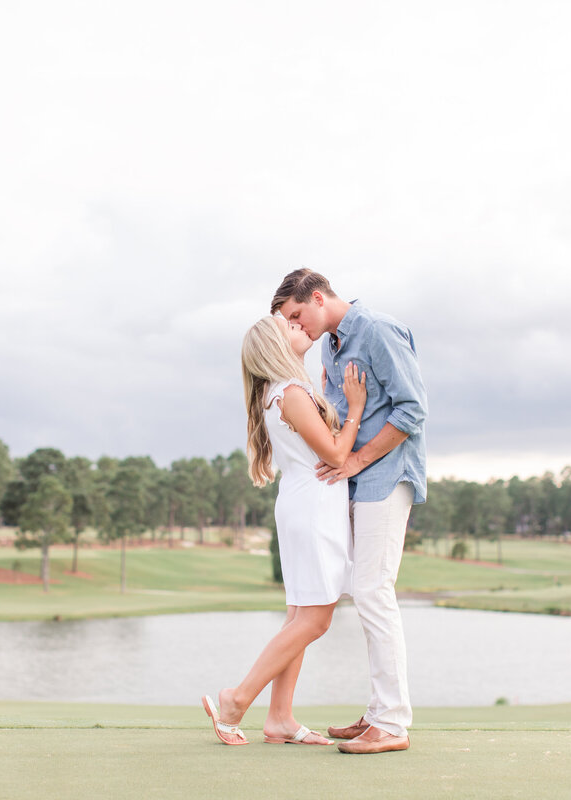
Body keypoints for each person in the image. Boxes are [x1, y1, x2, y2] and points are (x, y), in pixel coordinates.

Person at [271, 268, 427, 755]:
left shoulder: (377, 329)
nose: (297, 327)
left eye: (297, 315)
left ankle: (393, 723)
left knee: (373, 591)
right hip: (354, 485)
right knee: (363, 593)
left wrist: (357, 458)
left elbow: (412, 410)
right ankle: (379, 712)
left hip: (385, 478)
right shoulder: (330, 347)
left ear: (318, 298)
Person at [202, 314, 366, 747]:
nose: (298, 326)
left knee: (299, 614)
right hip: (312, 508)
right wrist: (356, 410)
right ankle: (237, 700)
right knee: (315, 618)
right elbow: (333, 453)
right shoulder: (290, 394)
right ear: (277, 344)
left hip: (304, 504)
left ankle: (279, 718)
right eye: (289, 325)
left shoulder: (283, 392)